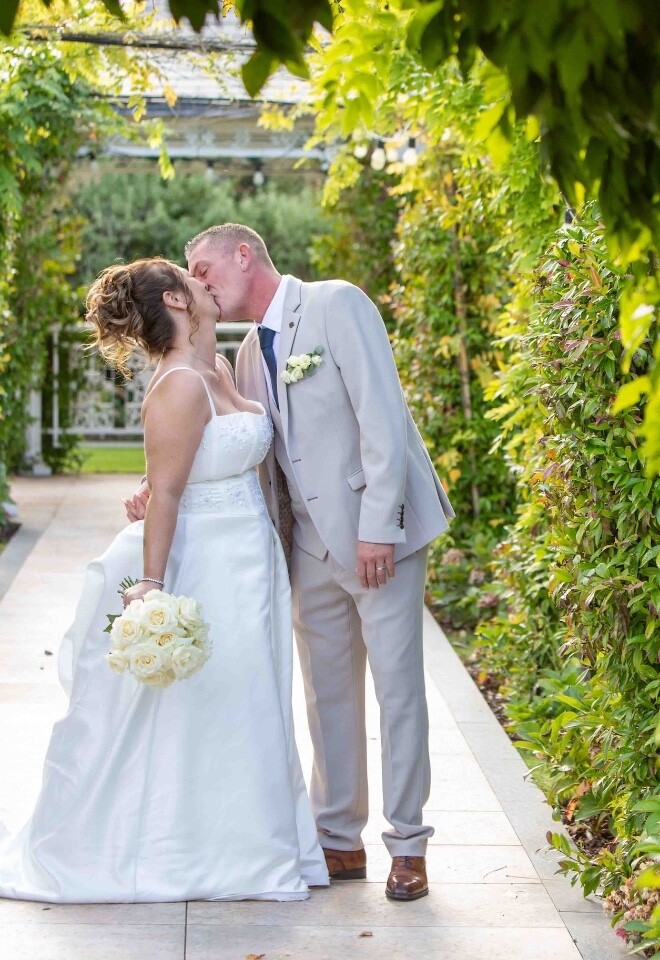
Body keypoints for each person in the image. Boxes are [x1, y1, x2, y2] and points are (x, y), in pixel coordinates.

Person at [127, 224, 456, 900]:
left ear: (243, 255)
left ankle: (410, 844)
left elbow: (383, 421)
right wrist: (158, 485)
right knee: (325, 695)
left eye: (204, 265)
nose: (198, 280)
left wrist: (378, 530)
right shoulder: (244, 352)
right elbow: (240, 445)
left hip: (378, 540)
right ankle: (338, 839)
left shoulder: (337, 304)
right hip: (306, 546)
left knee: (397, 692)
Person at [0, 257, 329, 903]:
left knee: (252, 697)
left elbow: (191, 466)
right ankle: (203, 855)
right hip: (204, 560)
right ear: (177, 300)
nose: (207, 281)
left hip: (250, 555)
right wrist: (151, 585)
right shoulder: (178, 384)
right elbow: (172, 496)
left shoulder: (222, 367)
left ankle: (259, 844)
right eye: (193, 276)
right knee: (210, 702)